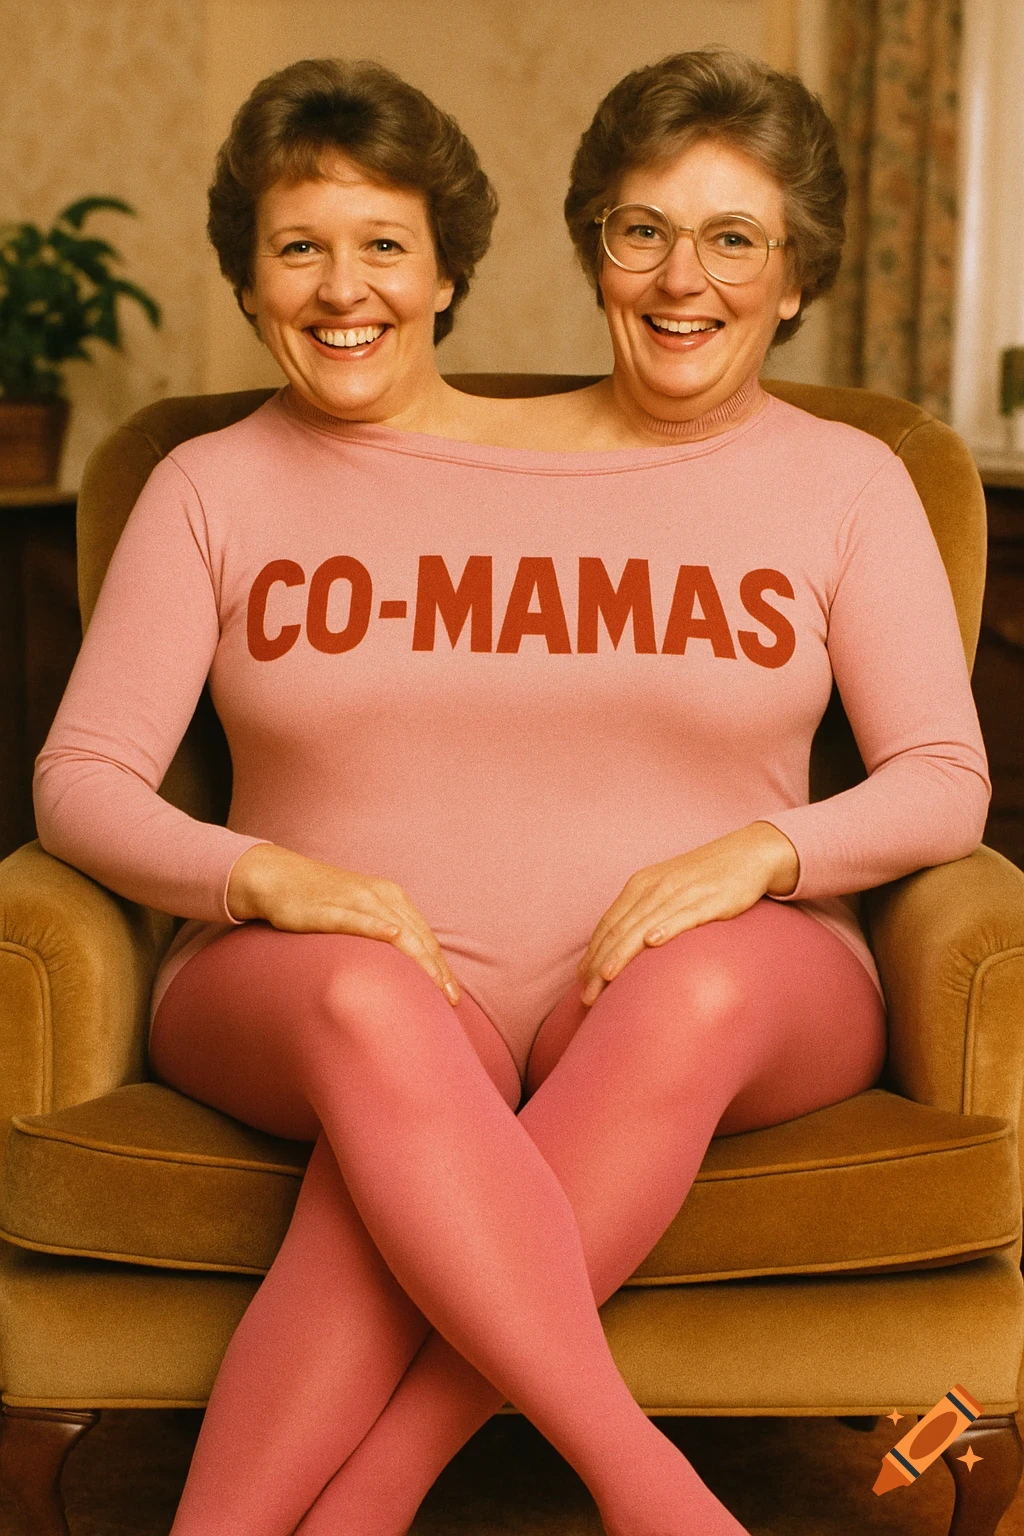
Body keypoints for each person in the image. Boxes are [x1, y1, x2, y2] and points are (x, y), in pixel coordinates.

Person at [33, 48, 989, 1536]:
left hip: (724, 978)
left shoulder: (853, 482)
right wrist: (269, 875)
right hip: (330, 980)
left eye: (735, 238)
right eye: (643, 230)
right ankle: (647, 1487)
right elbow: (81, 777)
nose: (683, 276)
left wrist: (762, 851)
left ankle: (374, 1499)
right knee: (370, 1008)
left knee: (688, 990)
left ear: (798, 276)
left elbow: (944, 776)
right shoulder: (219, 481)